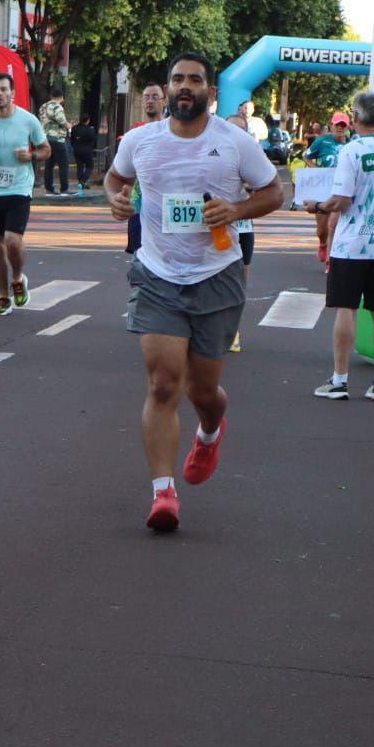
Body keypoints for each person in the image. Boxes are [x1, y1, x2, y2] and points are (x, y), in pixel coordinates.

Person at [104, 53, 283, 532]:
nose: (186, 86)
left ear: (211, 91)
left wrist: (236, 209)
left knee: (203, 390)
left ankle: (209, 430)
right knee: (164, 382)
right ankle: (163, 493)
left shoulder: (235, 142)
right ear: (167, 88)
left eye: (195, 80)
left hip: (217, 274)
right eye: (178, 79)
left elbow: (274, 192)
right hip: (157, 273)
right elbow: (116, 178)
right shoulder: (141, 141)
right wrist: (115, 199)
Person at [312, 92, 374, 403]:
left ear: (355, 118)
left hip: (352, 243)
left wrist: (317, 206)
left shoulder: (351, 151)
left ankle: (340, 380)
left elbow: (342, 200)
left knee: (346, 309)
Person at [0, 72, 50, 315]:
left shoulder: (28, 120)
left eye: (3, 89)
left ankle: (18, 278)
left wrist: (31, 156)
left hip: (19, 187)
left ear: (12, 93)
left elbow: (46, 149)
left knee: (13, 241)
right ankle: (3, 296)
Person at [224, 115, 259, 352]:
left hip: (244, 226)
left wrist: (250, 187)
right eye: (230, 128)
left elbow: (267, 189)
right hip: (217, 227)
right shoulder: (211, 152)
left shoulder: (251, 156)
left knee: (239, 281)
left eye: (240, 130)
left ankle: (232, 330)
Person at [125, 84, 167, 255]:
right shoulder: (135, 132)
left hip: (165, 205)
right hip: (139, 204)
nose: (150, 101)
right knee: (139, 256)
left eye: (155, 97)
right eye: (146, 97)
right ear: (142, 102)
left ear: (164, 101)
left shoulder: (172, 130)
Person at [303, 112, 351, 261]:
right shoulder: (322, 141)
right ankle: (323, 244)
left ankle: (331, 258)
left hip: (342, 189)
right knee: (322, 229)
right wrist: (316, 169)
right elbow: (305, 156)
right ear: (331, 126)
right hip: (323, 187)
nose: (340, 128)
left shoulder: (352, 144)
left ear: (347, 127)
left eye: (343, 125)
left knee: (334, 224)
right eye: (337, 125)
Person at [39, 84, 72, 195]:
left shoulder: (43, 107)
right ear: (61, 97)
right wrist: (68, 125)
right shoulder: (57, 107)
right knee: (63, 163)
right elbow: (61, 120)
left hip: (45, 139)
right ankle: (64, 188)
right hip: (57, 138)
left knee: (49, 164)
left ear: (50, 96)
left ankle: (49, 189)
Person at [69, 113, 98, 192]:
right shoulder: (90, 129)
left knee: (79, 166)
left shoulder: (74, 128)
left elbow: (71, 139)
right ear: (88, 120)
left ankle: (81, 183)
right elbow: (94, 139)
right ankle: (83, 182)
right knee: (90, 166)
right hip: (87, 150)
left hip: (77, 149)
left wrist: (74, 145)